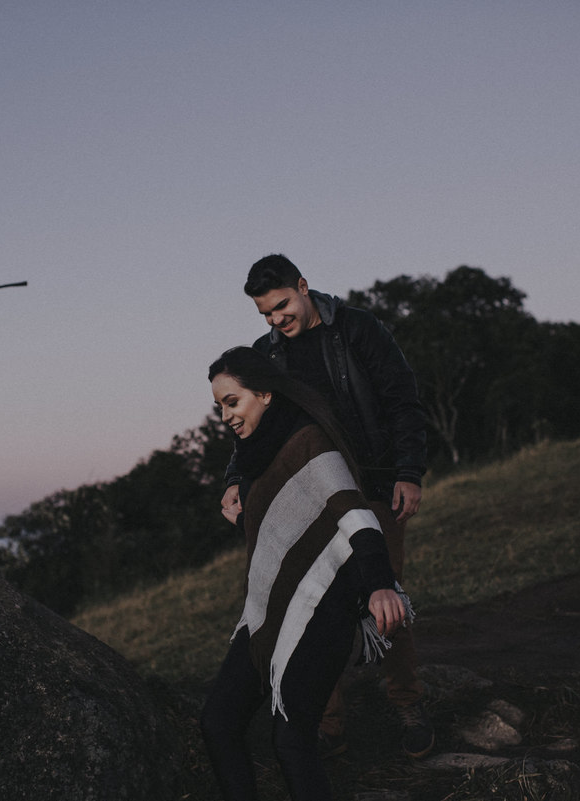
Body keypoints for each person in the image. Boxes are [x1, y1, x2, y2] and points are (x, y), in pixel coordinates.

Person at [220, 253, 433, 759]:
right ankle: (328, 722)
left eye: (281, 307)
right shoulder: (265, 354)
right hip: (309, 492)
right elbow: (249, 424)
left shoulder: (358, 329)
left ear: (303, 285)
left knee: (385, 596)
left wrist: (408, 472)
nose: (276, 321)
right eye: (265, 315)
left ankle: (407, 705)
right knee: (314, 603)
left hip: (374, 484)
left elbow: (402, 399)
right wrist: (234, 480)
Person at [201, 346, 413, 801]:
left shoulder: (308, 441)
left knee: (292, 744)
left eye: (232, 402)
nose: (225, 416)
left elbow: (356, 516)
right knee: (218, 722)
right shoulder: (255, 455)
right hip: (269, 617)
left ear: (264, 393)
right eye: (219, 406)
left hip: (321, 616)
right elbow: (286, 525)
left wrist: (379, 584)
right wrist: (241, 515)